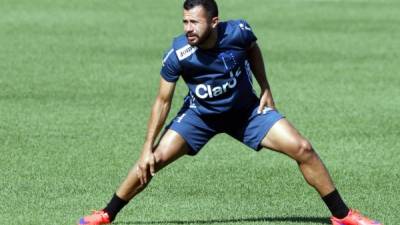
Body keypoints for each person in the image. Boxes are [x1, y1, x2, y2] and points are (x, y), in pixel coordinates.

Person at [78, 0, 382, 224]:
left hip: (246, 112)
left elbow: (253, 49)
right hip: (199, 116)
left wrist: (265, 87)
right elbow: (162, 101)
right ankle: (106, 214)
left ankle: (342, 216)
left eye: (194, 22)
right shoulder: (177, 53)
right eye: (184, 22)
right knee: (152, 161)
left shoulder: (238, 32)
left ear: (214, 22)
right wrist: (146, 148)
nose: (187, 29)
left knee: (303, 148)